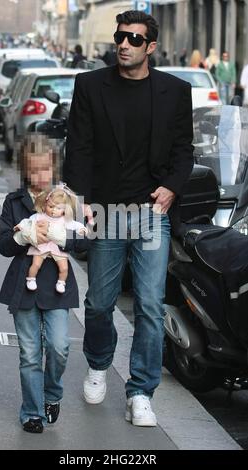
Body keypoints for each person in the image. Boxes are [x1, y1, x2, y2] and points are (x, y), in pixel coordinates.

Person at [64, 10, 193, 427]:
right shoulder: (89, 85)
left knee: (151, 306)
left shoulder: (174, 91)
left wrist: (172, 186)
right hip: (105, 212)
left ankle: (140, 391)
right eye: (121, 36)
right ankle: (99, 363)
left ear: (150, 47)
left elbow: (183, 150)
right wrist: (79, 200)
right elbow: (78, 146)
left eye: (135, 39)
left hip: (151, 214)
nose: (125, 44)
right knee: (99, 304)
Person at [0, 133, 87, 433]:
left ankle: (52, 394)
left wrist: (62, 237)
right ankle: (32, 412)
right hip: (24, 284)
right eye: (33, 170)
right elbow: (3, 245)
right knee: (30, 353)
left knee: (59, 346)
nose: (39, 176)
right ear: (24, 169)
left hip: (58, 286)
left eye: (45, 169)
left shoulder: (66, 199)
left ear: (54, 168)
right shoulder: (14, 201)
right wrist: (22, 236)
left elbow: (85, 242)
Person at [14, 185, 86, 293]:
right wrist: (20, 226)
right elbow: (28, 221)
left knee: (64, 268)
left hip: (57, 248)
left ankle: (61, 282)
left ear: (64, 210)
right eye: (51, 206)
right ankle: (31, 279)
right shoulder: (40, 216)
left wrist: (82, 229)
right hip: (42, 246)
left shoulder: (65, 220)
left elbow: (75, 225)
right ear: (45, 204)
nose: (53, 211)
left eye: (58, 208)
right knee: (36, 264)